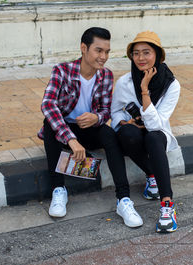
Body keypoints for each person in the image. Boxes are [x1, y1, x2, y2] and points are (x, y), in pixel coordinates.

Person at [38, 27, 142, 228]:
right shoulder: (62, 71)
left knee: (109, 134)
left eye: (107, 51)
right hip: (64, 132)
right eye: (98, 50)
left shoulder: (105, 76)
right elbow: (48, 104)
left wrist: (97, 117)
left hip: (89, 129)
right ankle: (59, 190)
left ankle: (124, 200)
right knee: (49, 124)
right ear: (83, 48)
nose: (103, 57)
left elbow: (105, 111)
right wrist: (71, 139)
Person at [111, 31, 180, 233]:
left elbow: (156, 125)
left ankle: (167, 205)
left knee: (153, 137)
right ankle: (151, 175)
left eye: (146, 52)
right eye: (136, 53)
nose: (141, 58)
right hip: (136, 133)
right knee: (126, 134)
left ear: (157, 55)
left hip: (158, 135)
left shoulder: (171, 85)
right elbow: (114, 111)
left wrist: (144, 90)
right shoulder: (124, 82)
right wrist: (126, 121)